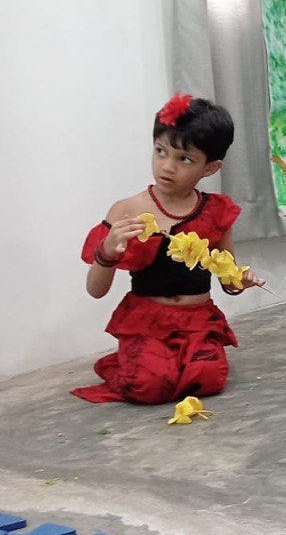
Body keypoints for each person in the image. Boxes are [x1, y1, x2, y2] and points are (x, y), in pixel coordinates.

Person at [74, 94, 263, 405]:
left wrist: (239, 281)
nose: (167, 166)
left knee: (208, 379)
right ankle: (140, 360)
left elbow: (228, 278)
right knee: (149, 387)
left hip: (198, 321)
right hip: (148, 322)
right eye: (160, 152)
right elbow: (95, 290)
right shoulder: (127, 210)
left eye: (184, 159)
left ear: (210, 167)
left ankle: (167, 362)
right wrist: (107, 251)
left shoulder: (217, 212)